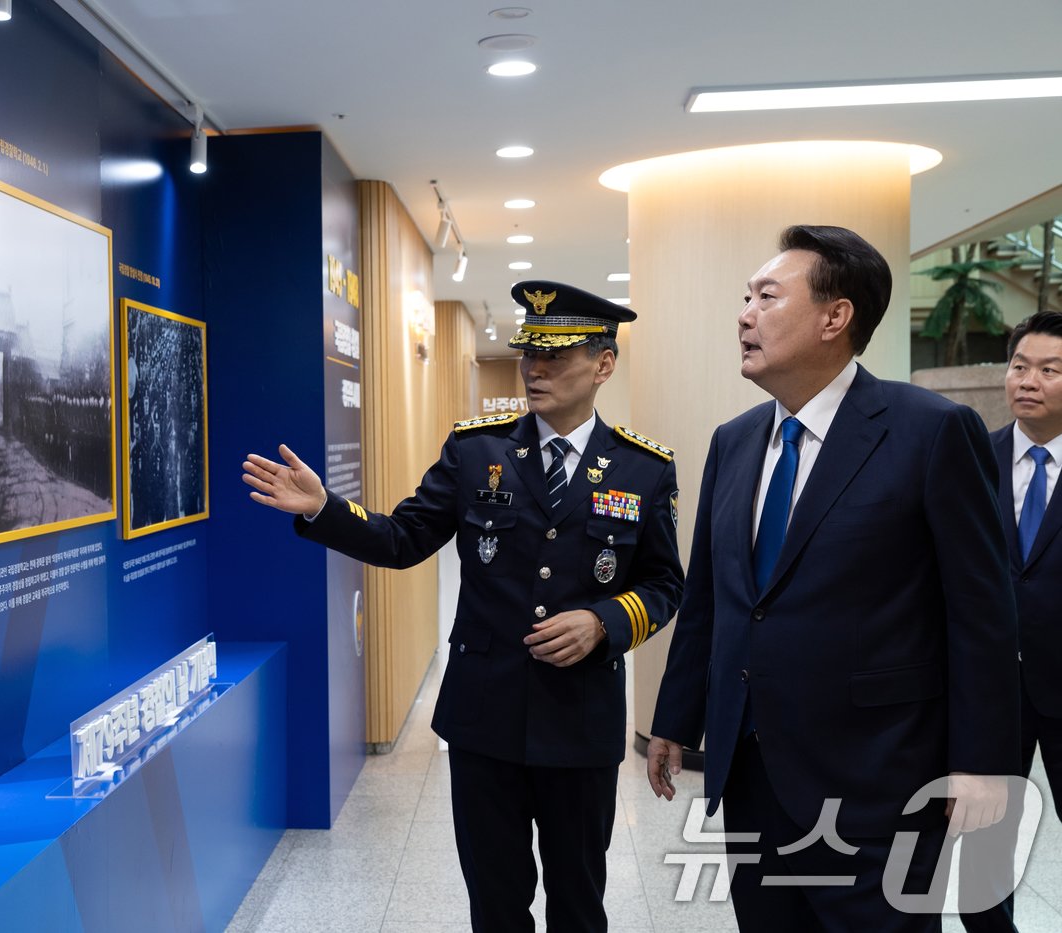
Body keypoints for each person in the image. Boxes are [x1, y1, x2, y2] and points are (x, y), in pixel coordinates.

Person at [243, 280, 684, 932]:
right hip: (485, 720)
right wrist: (324, 510)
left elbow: (664, 583)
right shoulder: (477, 448)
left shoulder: (645, 468)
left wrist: (604, 621)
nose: (535, 369)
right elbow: (402, 538)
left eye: (555, 356)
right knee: (495, 905)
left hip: (580, 723)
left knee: (579, 902)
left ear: (603, 363)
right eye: (529, 353)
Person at [646, 225, 1018, 932]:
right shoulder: (735, 440)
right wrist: (676, 717)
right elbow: (711, 602)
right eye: (744, 297)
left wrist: (981, 764)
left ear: (834, 316)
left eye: (765, 295)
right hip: (753, 773)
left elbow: (981, 612)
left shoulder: (931, 430)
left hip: (880, 780)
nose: (744, 314)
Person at [963, 310, 1062, 933]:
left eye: (1049, 369)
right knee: (980, 847)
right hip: (988, 690)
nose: (1027, 380)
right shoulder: (973, 458)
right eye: (1019, 366)